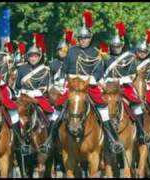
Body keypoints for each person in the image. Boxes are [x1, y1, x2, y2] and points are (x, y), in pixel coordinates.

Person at [53, 11, 124, 154]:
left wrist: (89, 80)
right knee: (56, 110)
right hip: (72, 86)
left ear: (90, 38)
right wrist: (61, 81)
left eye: (86, 38)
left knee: (103, 109)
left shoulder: (96, 53)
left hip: (88, 86)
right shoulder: (71, 51)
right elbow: (64, 68)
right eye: (81, 37)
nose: (83, 40)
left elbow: (98, 71)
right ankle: (50, 142)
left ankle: (112, 140)